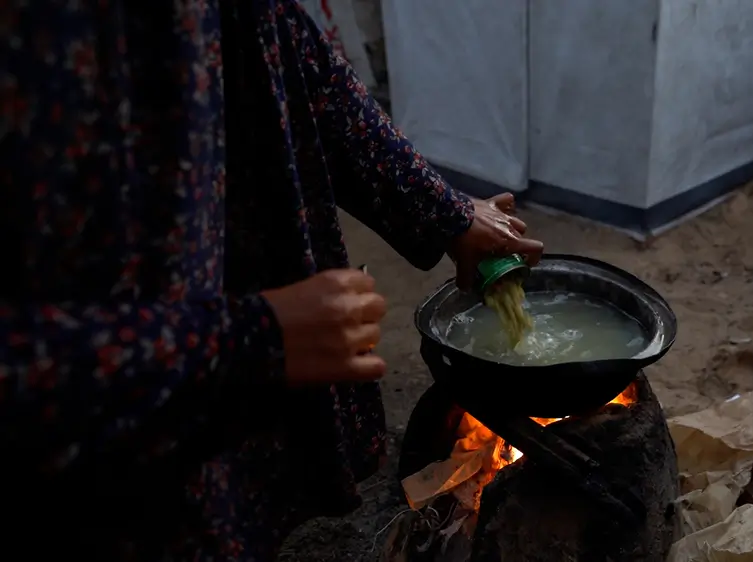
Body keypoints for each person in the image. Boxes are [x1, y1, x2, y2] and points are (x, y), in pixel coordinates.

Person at [0, 1, 543, 560]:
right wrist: (247, 341)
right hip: (98, 432)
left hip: (224, 338)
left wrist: (443, 212)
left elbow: (286, 52)